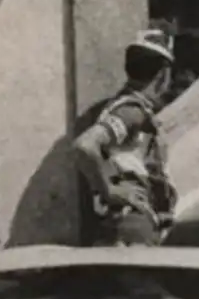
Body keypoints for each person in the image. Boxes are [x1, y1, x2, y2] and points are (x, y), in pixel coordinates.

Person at [72, 28, 178, 246]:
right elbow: (85, 145)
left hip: (123, 222)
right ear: (162, 75)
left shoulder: (122, 107)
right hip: (133, 224)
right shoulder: (131, 111)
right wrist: (109, 190)